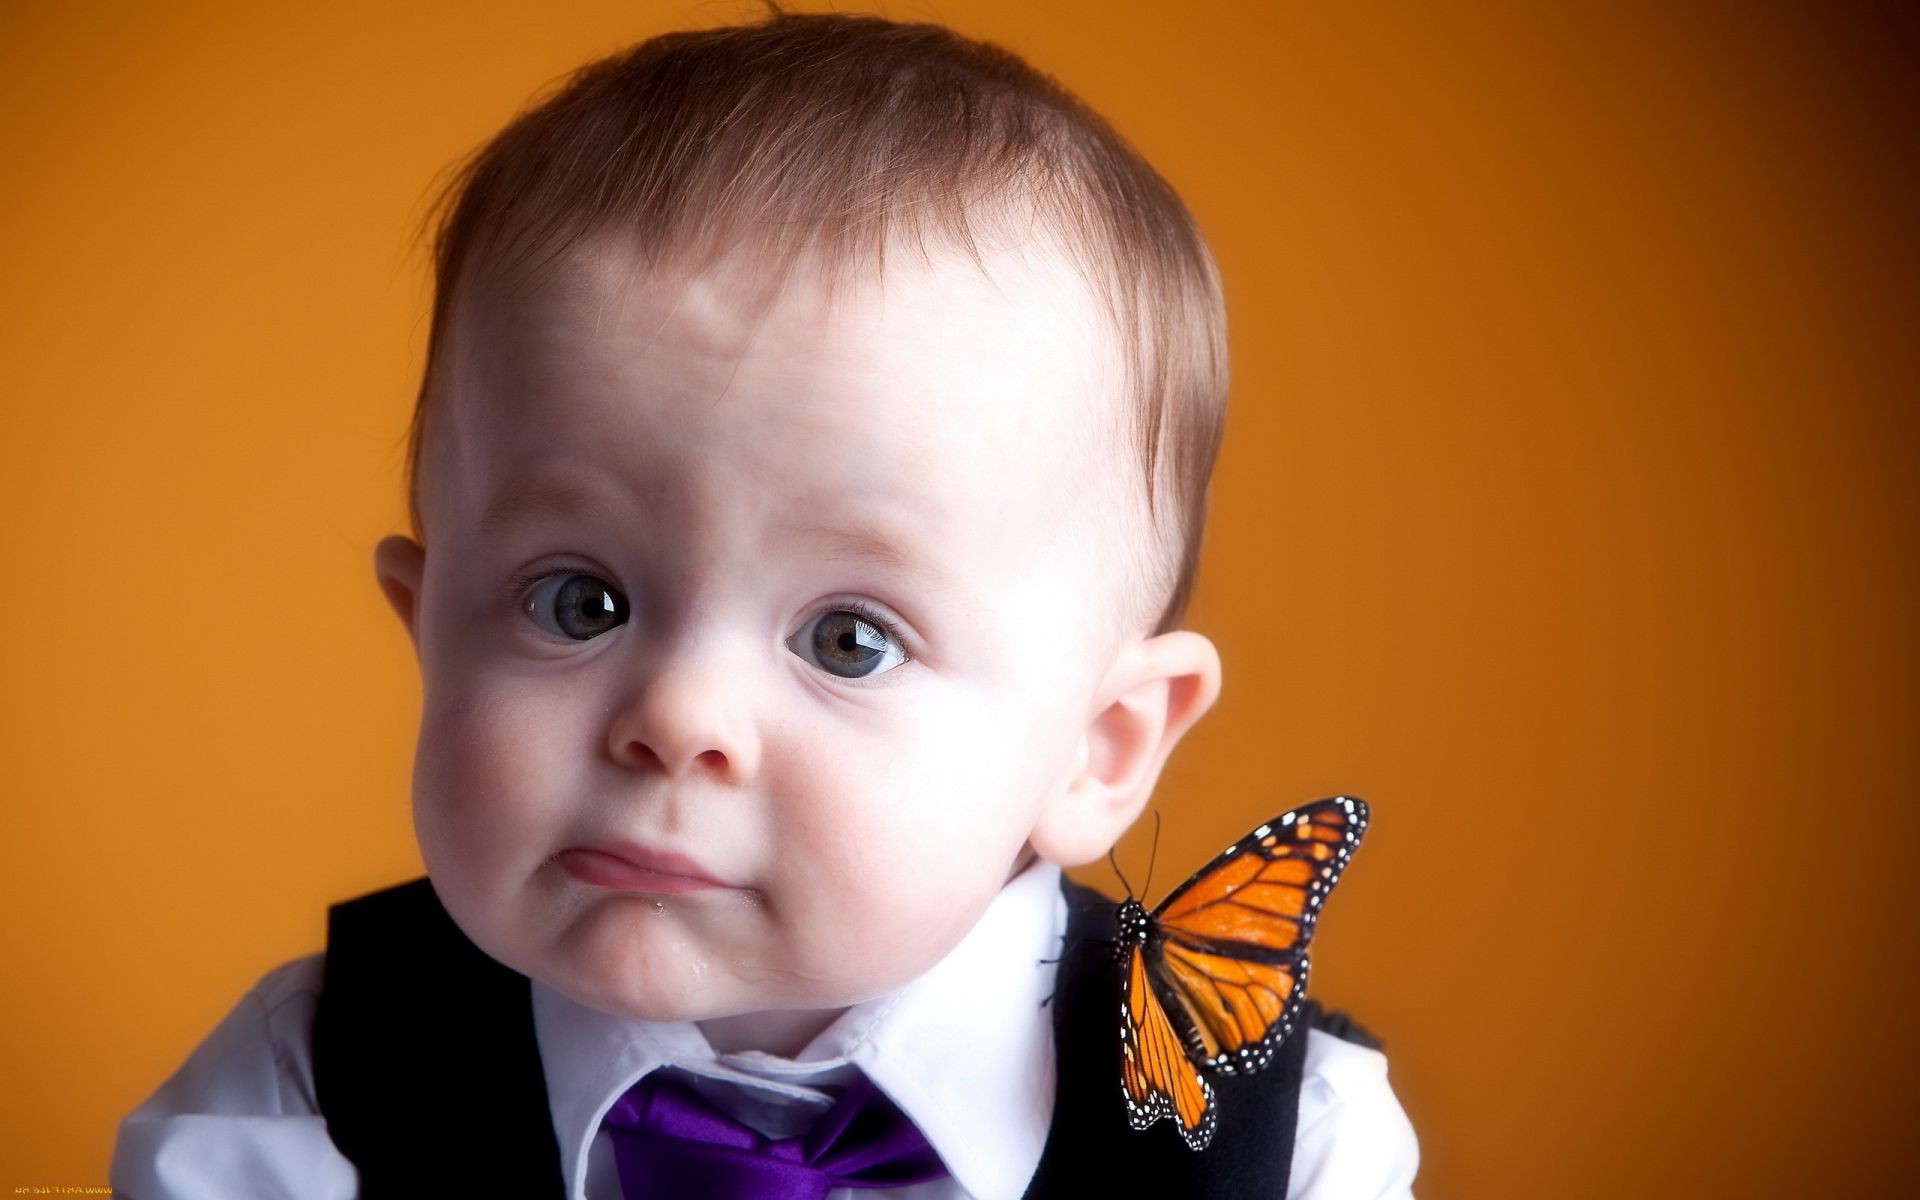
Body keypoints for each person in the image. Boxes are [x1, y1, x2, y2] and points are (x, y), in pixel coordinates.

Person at [111, 8, 1419, 1197]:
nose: (676, 719)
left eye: (848, 642)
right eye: (579, 602)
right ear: (429, 629)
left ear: (1102, 746)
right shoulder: (303, 1103)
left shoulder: (1291, 1146)